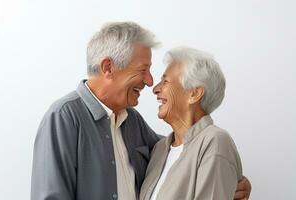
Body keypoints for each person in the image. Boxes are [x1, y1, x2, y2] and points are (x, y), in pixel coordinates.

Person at [31, 22, 251, 200]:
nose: (150, 82)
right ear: (108, 67)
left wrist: (229, 178)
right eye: (143, 70)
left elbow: (181, 152)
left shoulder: (131, 121)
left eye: (161, 78)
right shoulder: (64, 118)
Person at [140, 47, 250, 200]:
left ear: (194, 94)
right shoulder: (159, 150)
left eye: (165, 81)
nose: (156, 89)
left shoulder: (214, 141)